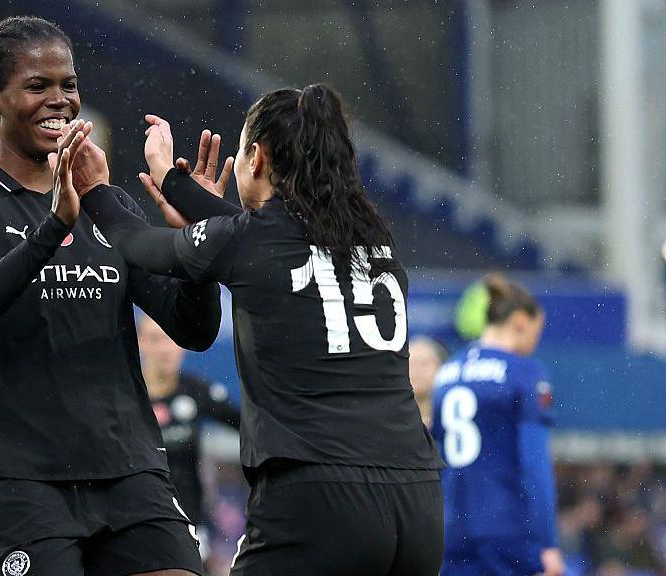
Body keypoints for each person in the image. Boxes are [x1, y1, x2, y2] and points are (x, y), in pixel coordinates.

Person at [64, 83, 445, 575]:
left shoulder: (250, 241)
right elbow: (262, 237)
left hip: (320, 499)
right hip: (416, 503)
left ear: (257, 157)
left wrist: (99, 186)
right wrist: (181, 192)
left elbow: (131, 240)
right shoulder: (374, 241)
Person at [0, 15, 219, 576]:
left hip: (128, 466)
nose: (60, 100)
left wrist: (197, 249)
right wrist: (52, 227)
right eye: (38, 85)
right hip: (18, 476)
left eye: (69, 85)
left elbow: (193, 330)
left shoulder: (108, 203)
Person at [431, 274, 565, 576]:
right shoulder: (524, 372)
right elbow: (534, 464)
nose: (535, 343)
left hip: (451, 531)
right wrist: (547, 542)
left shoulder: (448, 372)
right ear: (520, 322)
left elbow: (434, 460)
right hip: (507, 532)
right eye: (536, 332)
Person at [137, 314, 240, 547]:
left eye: (171, 339)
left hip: (190, 525)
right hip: (135, 524)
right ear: (140, 343)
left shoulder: (196, 390)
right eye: (155, 339)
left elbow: (247, 427)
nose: (166, 349)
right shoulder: (126, 397)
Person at [408, 335, 447, 427]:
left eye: (424, 363)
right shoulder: (389, 420)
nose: (416, 370)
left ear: (441, 367)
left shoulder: (450, 417)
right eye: (410, 363)